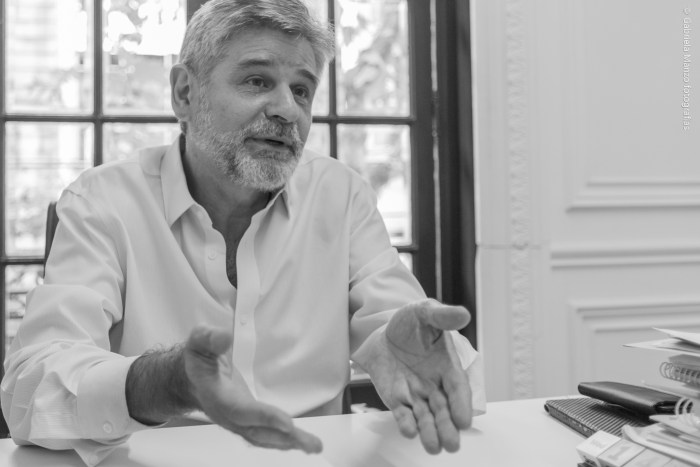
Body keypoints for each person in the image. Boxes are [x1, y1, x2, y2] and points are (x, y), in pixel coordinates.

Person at [1, 0, 485, 465]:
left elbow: (403, 334)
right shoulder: (103, 201)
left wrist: (417, 354)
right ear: (185, 94)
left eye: (302, 90)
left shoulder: (341, 195)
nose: (287, 110)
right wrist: (164, 382)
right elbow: (30, 388)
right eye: (257, 81)